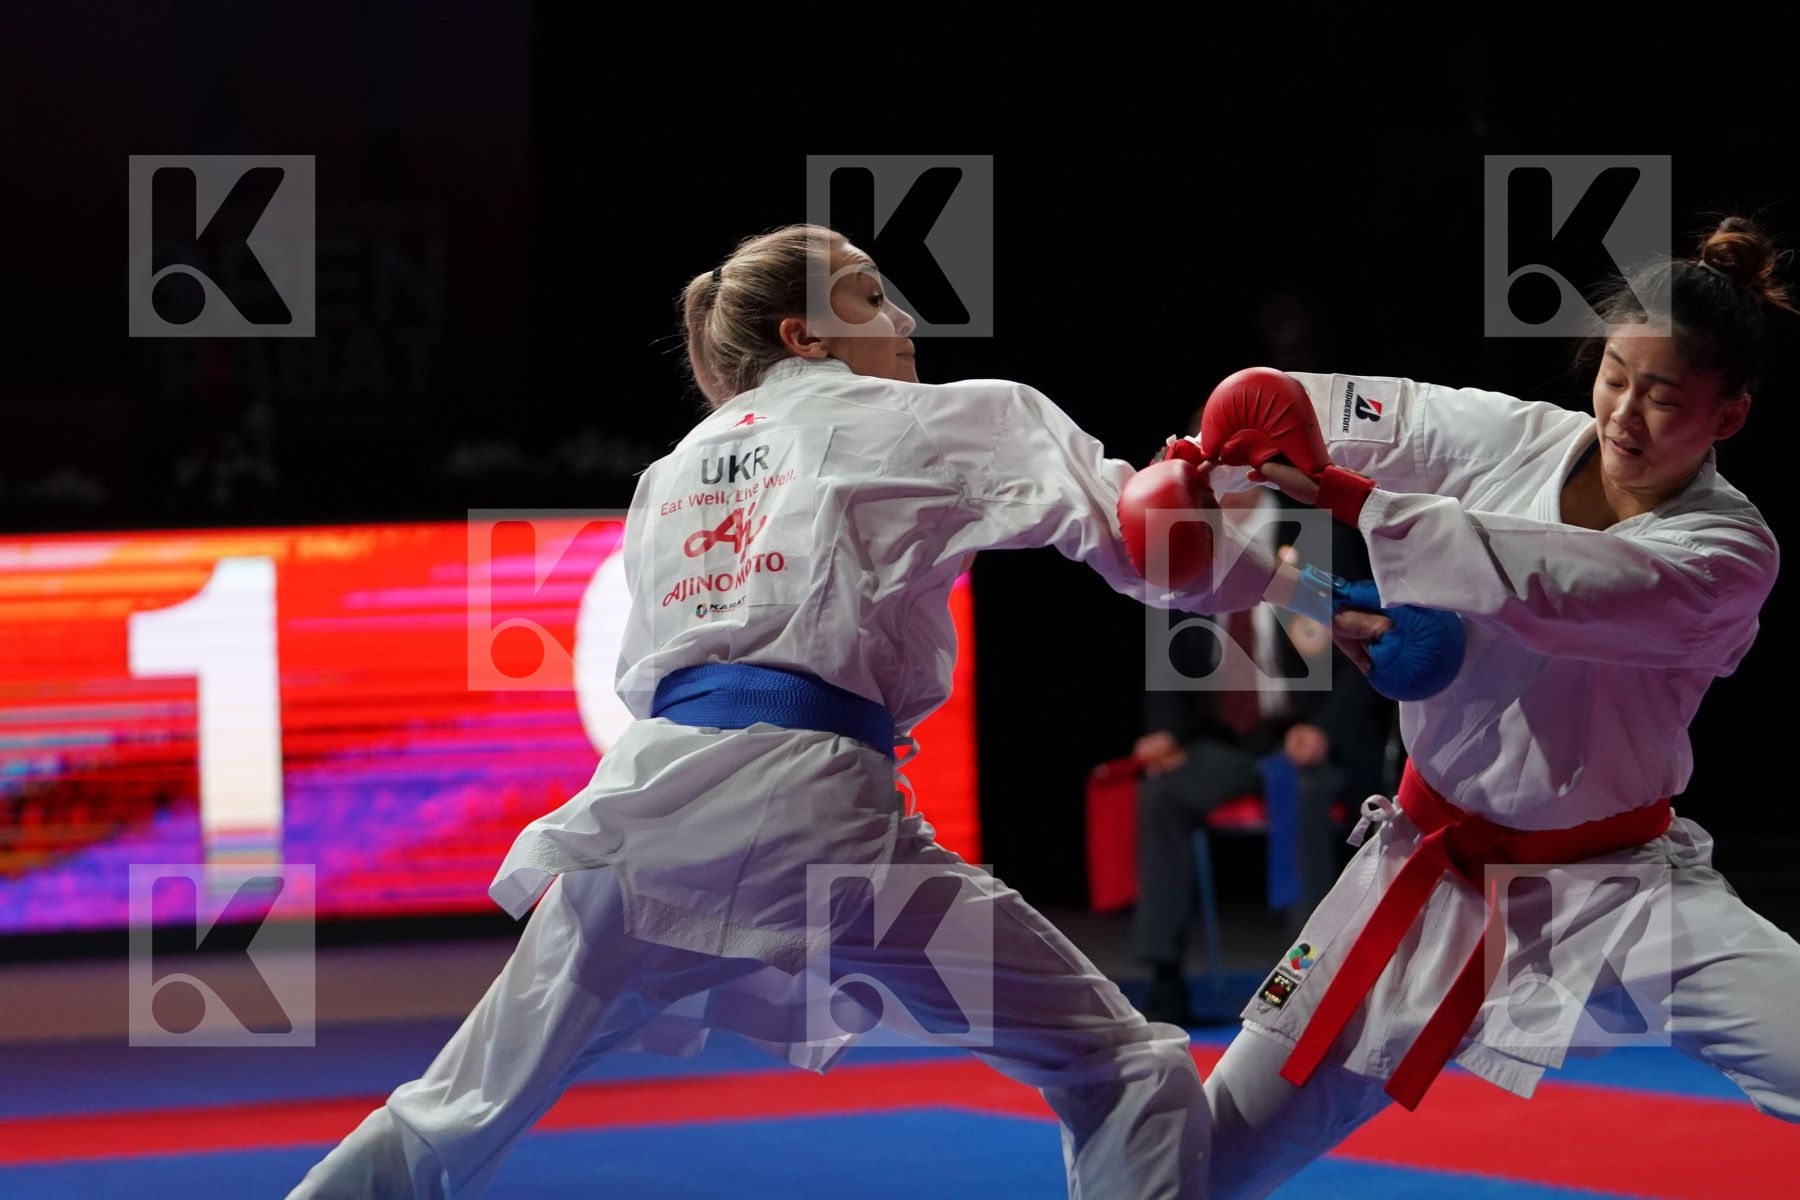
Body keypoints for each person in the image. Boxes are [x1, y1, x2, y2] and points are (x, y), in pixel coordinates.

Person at [288, 222, 1390, 1199]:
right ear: (803, 336)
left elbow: (647, 674)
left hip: (642, 820)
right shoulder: (929, 420)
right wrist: (1316, 587)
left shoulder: (669, 472)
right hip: (819, 824)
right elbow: (1146, 544)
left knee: (452, 1113)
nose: (904, 316)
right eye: (868, 295)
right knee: (1132, 1071)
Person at [1181, 215, 1799, 1198]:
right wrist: (1245, 431)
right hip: (1428, 879)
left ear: (1727, 417)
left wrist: (1344, 495)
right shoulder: (1515, 440)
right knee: (1196, 1159)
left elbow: (1559, 584)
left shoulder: (1729, 555)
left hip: (1625, 891)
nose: (1624, 415)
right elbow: (1380, 413)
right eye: (1613, 377)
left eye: (1663, 397)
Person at [1134, 409, 1399, 1025]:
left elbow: (1365, 651)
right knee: (1162, 796)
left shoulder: (1316, 537)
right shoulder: (1187, 538)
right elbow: (1166, 639)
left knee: (1306, 796)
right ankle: (1164, 976)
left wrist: (1325, 730)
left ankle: (1298, 982)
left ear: (1249, 464)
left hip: (1309, 742)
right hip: (1229, 740)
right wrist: (1164, 732)